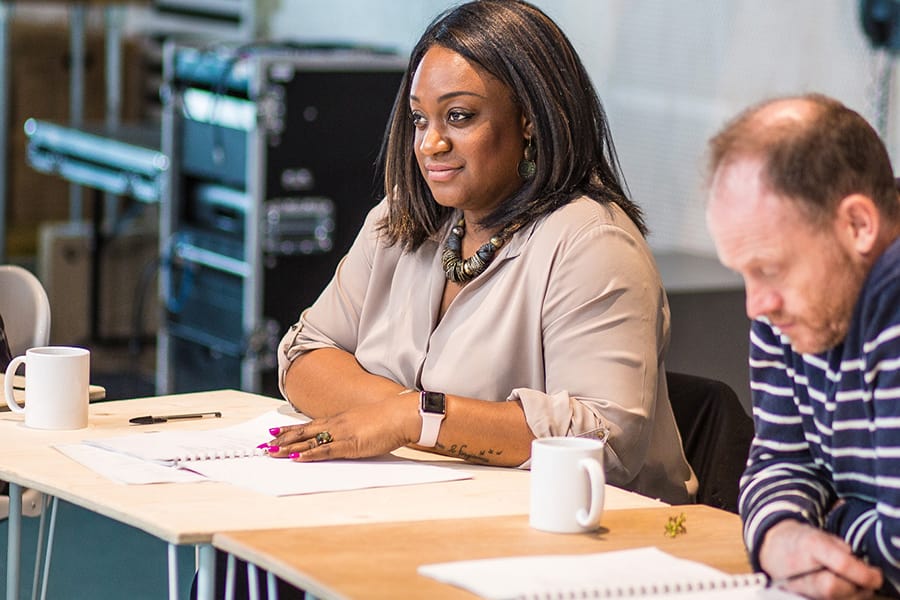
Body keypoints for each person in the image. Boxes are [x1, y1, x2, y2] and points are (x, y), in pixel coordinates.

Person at [269, 0, 694, 505]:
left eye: (459, 116)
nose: (430, 144)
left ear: (530, 119)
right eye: (420, 119)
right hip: (418, 510)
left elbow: (602, 441)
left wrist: (417, 419)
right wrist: (404, 413)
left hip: (579, 535)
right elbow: (302, 355)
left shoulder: (592, 243)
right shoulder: (401, 217)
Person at [705, 93, 900, 598]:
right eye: (744, 273)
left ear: (858, 225)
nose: (756, 305)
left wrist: (830, 518)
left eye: (769, 269)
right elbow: (778, 462)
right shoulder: (792, 312)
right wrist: (782, 537)